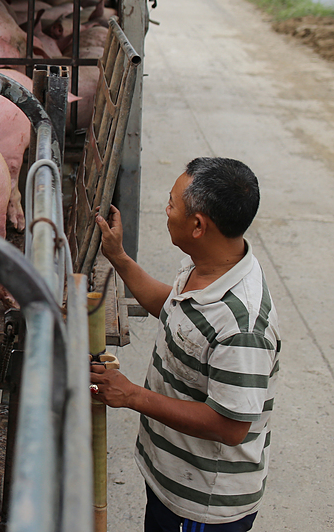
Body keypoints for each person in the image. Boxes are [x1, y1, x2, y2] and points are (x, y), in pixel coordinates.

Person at [91, 157, 278, 532]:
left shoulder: (243, 327)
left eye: (172, 203)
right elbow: (174, 312)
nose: (166, 210)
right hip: (172, 480)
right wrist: (119, 258)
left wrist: (132, 395)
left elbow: (231, 426)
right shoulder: (207, 265)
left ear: (198, 226)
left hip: (202, 505)